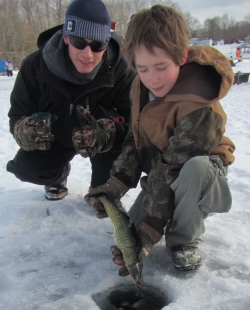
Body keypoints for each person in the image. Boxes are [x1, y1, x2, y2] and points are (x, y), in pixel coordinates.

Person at [84, 5, 235, 273]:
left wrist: (151, 227)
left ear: (182, 55)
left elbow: (175, 168)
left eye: (161, 67)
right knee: (130, 237)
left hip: (200, 175)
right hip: (162, 169)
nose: (152, 78)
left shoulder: (199, 104)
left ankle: (184, 240)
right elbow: (134, 139)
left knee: (193, 171)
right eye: (142, 68)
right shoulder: (139, 87)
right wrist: (116, 185)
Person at [6, 0, 136, 200]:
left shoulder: (122, 72)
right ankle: (58, 177)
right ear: (66, 37)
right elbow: (17, 115)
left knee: (105, 195)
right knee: (26, 169)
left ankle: (101, 188)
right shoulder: (34, 66)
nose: (88, 54)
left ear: (106, 43)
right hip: (54, 140)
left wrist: (108, 134)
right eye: (79, 43)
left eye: (97, 46)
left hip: (101, 145)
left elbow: (134, 123)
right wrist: (25, 130)